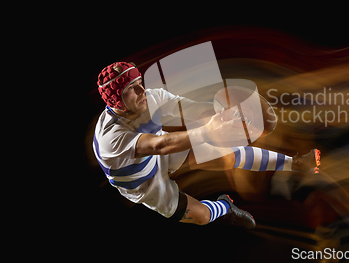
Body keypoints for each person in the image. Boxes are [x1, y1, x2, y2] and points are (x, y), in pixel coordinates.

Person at [93, 61, 320, 228]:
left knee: (225, 156)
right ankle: (225, 206)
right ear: (116, 101)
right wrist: (207, 130)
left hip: (162, 150)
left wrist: (224, 112)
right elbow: (158, 146)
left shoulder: (151, 97)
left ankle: (296, 163)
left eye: (139, 82)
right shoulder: (110, 137)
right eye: (131, 89)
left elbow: (188, 107)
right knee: (201, 216)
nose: (142, 91)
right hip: (141, 181)